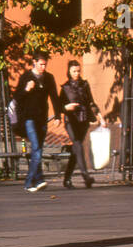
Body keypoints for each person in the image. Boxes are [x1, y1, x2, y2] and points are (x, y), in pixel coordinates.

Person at [13, 51, 63, 192]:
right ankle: (29, 183)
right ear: (34, 62)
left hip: (42, 118)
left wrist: (58, 115)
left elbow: (54, 96)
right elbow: (17, 97)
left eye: (45, 65)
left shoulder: (48, 78)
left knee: (38, 149)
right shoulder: (26, 77)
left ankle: (39, 179)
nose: (43, 67)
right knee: (36, 148)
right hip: (29, 118)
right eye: (41, 64)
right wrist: (26, 89)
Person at [60, 59, 100, 188]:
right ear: (69, 71)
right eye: (74, 71)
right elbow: (60, 106)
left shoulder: (84, 85)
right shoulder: (65, 87)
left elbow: (91, 102)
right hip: (70, 120)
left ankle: (67, 179)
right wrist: (67, 107)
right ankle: (85, 176)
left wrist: (100, 117)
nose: (76, 73)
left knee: (76, 149)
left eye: (78, 71)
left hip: (83, 119)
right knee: (77, 144)